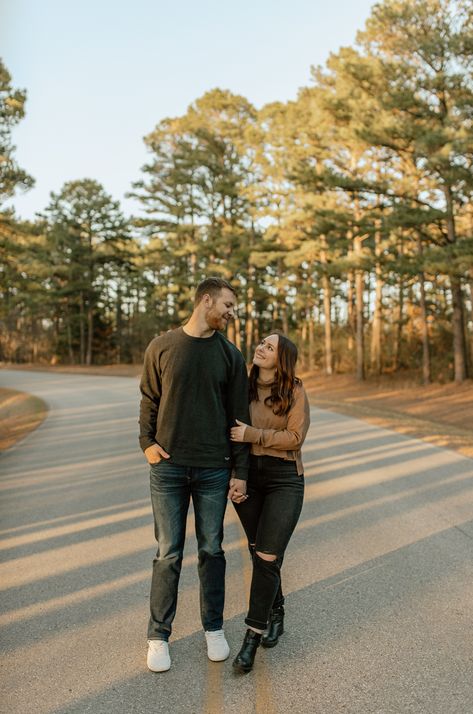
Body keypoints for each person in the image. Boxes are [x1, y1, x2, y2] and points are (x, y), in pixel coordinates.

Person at [139, 277, 250, 673]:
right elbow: (149, 400)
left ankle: (214, 628)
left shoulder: (231, 356)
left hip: (213, 470)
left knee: (211, 550)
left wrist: (241, 471)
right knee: (168, 552)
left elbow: (240, 418)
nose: (231, 312)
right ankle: (158, 636)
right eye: (228, 304)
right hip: (167, 468)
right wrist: (147, 444)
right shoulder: (163, 346)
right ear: (206, 300)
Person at [230, 332, 310, 673]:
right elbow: (228, 432)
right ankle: (275, 609)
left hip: (284, 479)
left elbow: (295, 438)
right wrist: (236, 474)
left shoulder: (294, 389)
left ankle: (252, 635)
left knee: (267, 555)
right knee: (257, 551)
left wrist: (253, 435)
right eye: (261, 343)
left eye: (269, 346)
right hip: (249, 476)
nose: (261, 348)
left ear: (282, 358)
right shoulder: (241, 385)